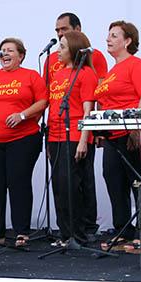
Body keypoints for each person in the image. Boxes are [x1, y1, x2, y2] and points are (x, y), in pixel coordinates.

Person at [94, 21, 141, 250]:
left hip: (135, 132)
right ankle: (123, 230)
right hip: (113, 135)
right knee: (113, 179)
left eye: (114, 35)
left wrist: (136, 128)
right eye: (108, 35)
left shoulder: (137, 65)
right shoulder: (112, 71)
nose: (108, 39)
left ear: (128, 41)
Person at [0, 38, 47, 246]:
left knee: (18, 182)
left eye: (9, 50)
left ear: (21, 56)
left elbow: (43, 101)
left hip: (23, 138)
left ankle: (21, 231)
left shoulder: (31, 76)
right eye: (2, 51)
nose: (4, 54)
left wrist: (23, 115)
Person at [45, 12, 106, 235]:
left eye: (62, 47)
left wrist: (83, 140)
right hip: (56, 136)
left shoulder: (86, 73)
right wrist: (49, 139)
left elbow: (88, 110)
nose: (58, 51)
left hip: (75, 136)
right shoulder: (59, 74)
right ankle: (65, 232)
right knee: (59, 186)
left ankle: (79, 232)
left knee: (74, 184)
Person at [44, 12, 109, 81]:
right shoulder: (50, 58)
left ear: (77, 29)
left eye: (64, 29)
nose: (60, 33)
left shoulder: (93, 54)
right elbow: (46, 87)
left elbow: (100, 86)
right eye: (57, 30)